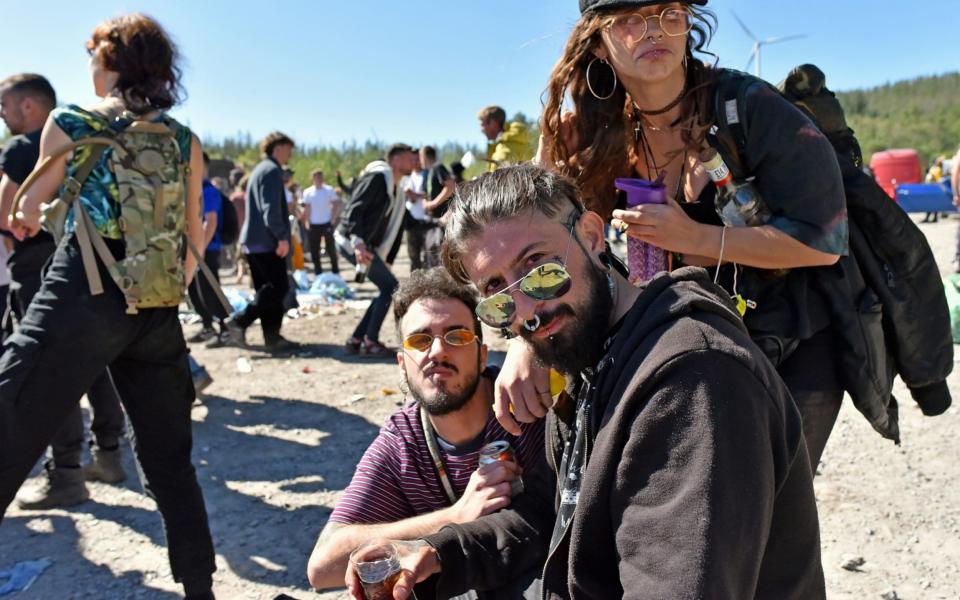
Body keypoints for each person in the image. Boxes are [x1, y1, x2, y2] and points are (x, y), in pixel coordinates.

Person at [345, 165, 824, 600]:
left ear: (593, 236)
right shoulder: (588, 360)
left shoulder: (693, 381)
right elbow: (549, 513)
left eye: (540, 268)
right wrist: (437, 552)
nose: (529, 309)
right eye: (498, 295)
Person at [523, 0, 848, 469]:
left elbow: (825, 243)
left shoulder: (748, 107)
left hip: (789, 344)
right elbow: (551, 246)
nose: (653, 31)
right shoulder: (601, 132)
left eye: (668, 14)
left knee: (764, 506)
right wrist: (525, 347)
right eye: (630, 20)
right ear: (597, 42)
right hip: (683, 344)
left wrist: (693, 237)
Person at [0, 14, 216, 599]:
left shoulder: (67, 121)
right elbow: (193, 240)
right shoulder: (182, 139)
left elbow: (26, 210)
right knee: (171, 463)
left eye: (95, 55)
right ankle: (199, 586)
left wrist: (28, 218)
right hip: (156, 308)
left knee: (10, 417)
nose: (90, 66)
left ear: (115, 61)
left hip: (85, 291)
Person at [307, 267, 545, 595]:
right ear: (402, 364)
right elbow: (322, 566)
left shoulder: (527, 401)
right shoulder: (402, 442)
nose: (437, 351)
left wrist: (529, 346)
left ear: (482, 356)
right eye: (420, 340)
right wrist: (456, 515)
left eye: (457, 336)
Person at [0, 72, 128, 509]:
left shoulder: (22, 148)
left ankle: (66, 474)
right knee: (96, 364)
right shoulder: (84, 142)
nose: (3, 115)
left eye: (5, 106)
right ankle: (109, 454)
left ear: (29, 106)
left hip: (37, 268)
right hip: (82, 264)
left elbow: (10, 212)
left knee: (46, 372)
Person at [334, 143, 416, 356]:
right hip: (351, 241)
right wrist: (357, 242)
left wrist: (440, 220)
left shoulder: (396, 189)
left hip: (363, 244)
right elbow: (354, 209)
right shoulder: (379, 177)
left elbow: (408, 222)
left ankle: (356, 339)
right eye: (409, 158)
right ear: (396, 160)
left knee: (386, 287)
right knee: (390, 287)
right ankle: (370, 340)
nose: (414, 162)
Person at [225, 131, 299, 352]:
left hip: (256, 241)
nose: (290, 154)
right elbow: (270, 208)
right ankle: (239, 321)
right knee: (278, 288)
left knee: (267, 291)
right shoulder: (271, 170)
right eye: (288, 149)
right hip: (266, 241)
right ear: (278, 147)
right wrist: (282, 237)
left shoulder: (260, 169)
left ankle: (272, 338)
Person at [186, 152, 227, 342]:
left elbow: (210, 222)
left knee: (210, 289)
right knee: (196, 291)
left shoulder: (208, 191)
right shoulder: (194, 189)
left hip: (206, 250)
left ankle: (225, 329)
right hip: (196, 250)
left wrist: (199, 250)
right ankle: (208, 326)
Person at [420, 146, 456, 268]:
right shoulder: (429, 172)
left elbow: (450, 186)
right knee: (432, 255)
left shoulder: (438, 167)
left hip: (442, 222)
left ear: (424, 156)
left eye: (420, 157)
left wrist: (433, 203)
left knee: (441, 258)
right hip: (434, 222)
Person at [302, 169, 341, 275]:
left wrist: (333, 218)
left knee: (331, 249)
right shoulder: (308, 192)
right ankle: (318, 272)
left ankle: (335, 271)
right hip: (314, 224)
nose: (319, 179)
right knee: (315, 250)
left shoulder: (329, 190)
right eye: (316, 177)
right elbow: (307, 208)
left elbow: (336, 204)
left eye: (320, 177)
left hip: (326, 222)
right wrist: (307, 221)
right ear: (313, 179)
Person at [476, 105, 532, 171]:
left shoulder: (503, 151)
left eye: (482, 125)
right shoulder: (519, 138)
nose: (481, 130)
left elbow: (495, 180)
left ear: (493, 123)